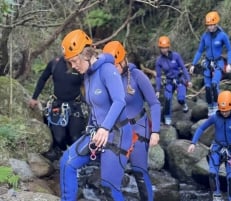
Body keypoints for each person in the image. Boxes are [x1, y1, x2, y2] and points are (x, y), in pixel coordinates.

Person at [59, 29, 133, 201]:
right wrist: (92, 127)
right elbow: (95, 106)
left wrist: (105, 128)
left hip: (117, 133)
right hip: (98, 133)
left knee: (108, 186)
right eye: (70, 63)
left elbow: (119, 101)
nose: (74, 66)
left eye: (75, 61)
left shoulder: (107, 69)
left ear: (86, 53)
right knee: (67, 162)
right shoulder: (88, 74)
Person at [103, 41, 161, 201]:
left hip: (138, 129)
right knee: (110, 177)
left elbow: (154, 104)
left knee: (140, 173)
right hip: (118, 131)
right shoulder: (107, 78)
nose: (113, 70)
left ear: (123, 60)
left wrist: (155, 131)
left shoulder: (137, 76)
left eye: (115, 66)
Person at [187, 90, 231, 201]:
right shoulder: (215, 117)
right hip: (216, 149)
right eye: (222, 111)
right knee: (212, 174)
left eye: (226, 111)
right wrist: (193, 142)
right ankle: (216, 196)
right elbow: (201, 128)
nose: (224, 113)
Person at [28, 55, 87, 160]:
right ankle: (63, 154)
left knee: (75, 137)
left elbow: (88, 83)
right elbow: (43, 78)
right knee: (59, 138)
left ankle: (74, 160)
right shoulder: (55, 64)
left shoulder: (79, 65)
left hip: (75, 105)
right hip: (57, 106)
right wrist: (34, 97)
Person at [189, 11, 231, 116]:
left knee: (214, 85)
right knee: (208, 88)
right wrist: (193, 64)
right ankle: (211, 107)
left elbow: (230, 50)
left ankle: (218, 106)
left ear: (217, 23)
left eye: (213, 25)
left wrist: (229, 64)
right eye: (209, 25)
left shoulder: (222, 35)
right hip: (207, 64)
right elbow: (200, 51)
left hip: (218, 63)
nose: (211, 27)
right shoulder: (205, 36)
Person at [155, 36, 192, 125]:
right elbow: (158, 76)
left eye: (165, 48)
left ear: (168, 47)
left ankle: (183, 104)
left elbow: (183, 68)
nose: (164, 50)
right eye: (162, 48)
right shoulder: (159, 61)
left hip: (179, 79)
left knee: (181, 99)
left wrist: (188, 80)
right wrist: (157, 90)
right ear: (160, 48)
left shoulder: (176, 56)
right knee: (167, 99)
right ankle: (167, 118)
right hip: (169, 81)